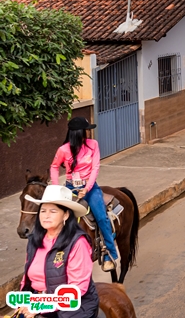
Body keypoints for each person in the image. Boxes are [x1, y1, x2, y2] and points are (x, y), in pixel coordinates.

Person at [50, 117, 118, 272]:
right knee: (56, 217)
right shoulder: (63, 150)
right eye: (87, 129)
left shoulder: (93, 145)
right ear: (79, 132)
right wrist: (55, 188)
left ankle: (108, 253)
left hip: (90, 187)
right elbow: (54, 167)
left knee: (101, 216)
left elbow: (95, 168)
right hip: (70, 188)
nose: (89, 131)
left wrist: (86, 189)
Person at [20, 185, 99, 317]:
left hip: (72, 305)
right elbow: (26, 277)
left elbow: (78, 288)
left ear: (66, 215)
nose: (46, 216)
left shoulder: (78, 242)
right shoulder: (34, 240)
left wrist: (41, 307)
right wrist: (24, 300)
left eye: (53, 211)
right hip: (38, 300)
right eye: (43, 211)